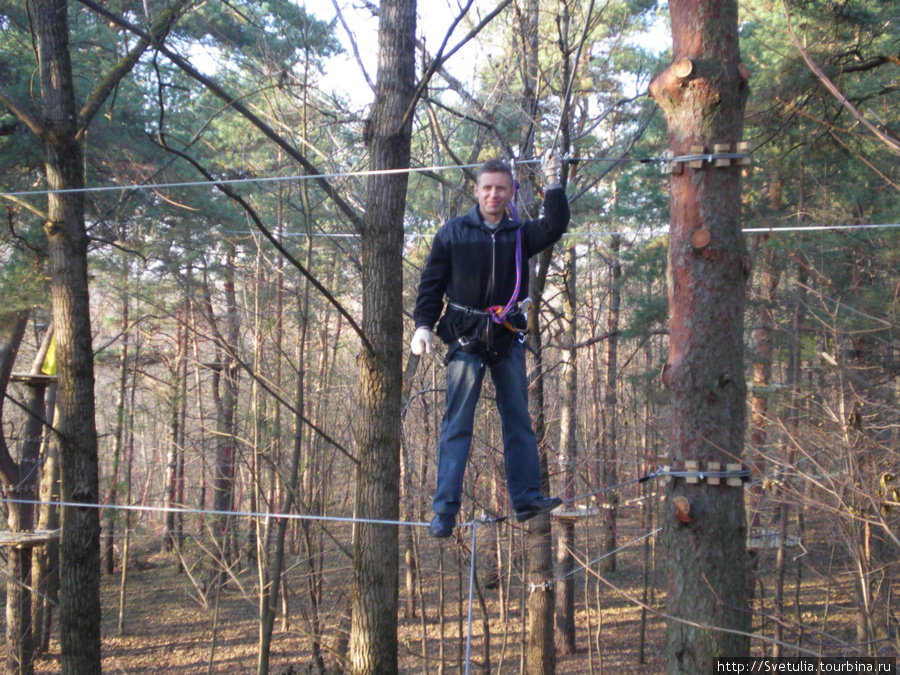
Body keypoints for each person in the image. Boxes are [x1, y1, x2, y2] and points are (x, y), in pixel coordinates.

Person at [411, 152, 569, 538]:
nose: (493, 195)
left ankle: (527, 499)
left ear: (510, 191)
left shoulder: (520, 234)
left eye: (501, 189)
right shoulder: (452, 233)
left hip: (505, 335)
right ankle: (445, 511)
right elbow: (431, 284)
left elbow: (555, 225)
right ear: (477, 191)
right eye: (487, 188)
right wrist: (422, 326)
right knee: (457, 422)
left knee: (518, 418)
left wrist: (553, 182)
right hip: (465, 334)